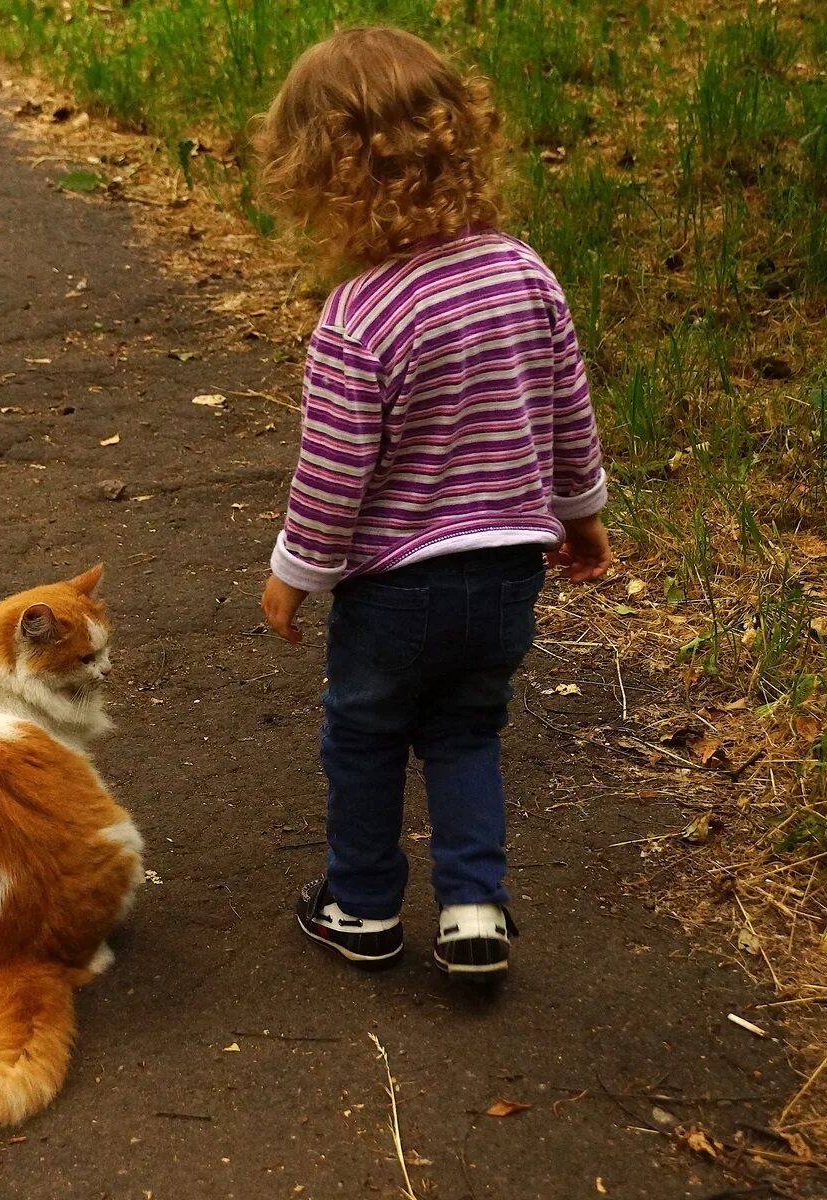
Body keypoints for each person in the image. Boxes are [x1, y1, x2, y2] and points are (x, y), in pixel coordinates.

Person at [253, 26, 612, 979]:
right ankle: (473, 908)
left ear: (320, 177)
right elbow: (567, 411)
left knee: (364, 737)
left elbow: (332, 478)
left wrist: (294, 576)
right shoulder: (523, 274)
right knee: (464, 732)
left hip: (395, 590)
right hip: (505, 575)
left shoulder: (360, 316)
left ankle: (363, 906)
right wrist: (582, 516)